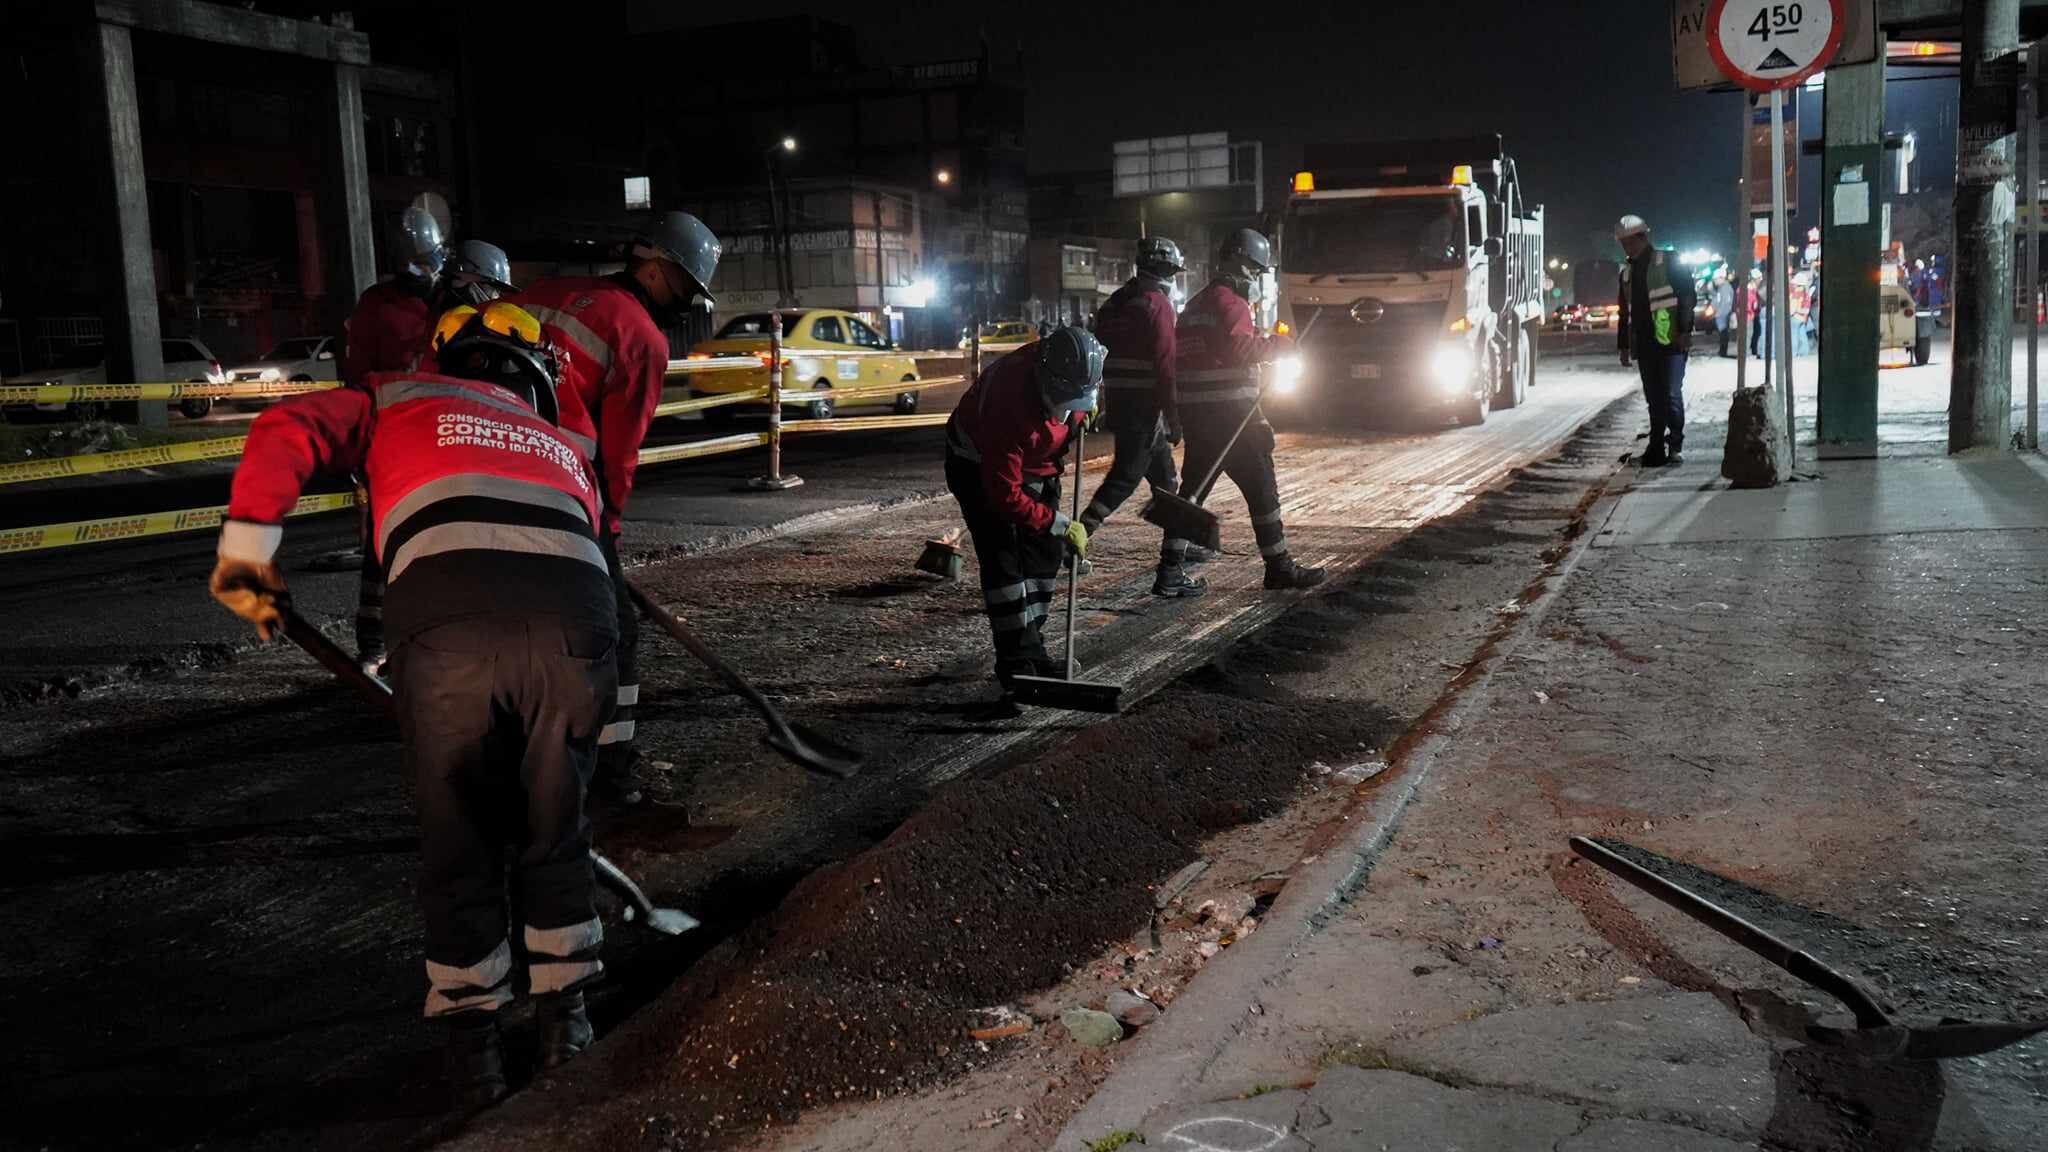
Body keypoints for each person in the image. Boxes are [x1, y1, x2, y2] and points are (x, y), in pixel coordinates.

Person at [208, 302, 615, 1111]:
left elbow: (286, 429)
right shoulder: (562, 443)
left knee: (460, 834)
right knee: (553, 823)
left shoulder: (394, 398)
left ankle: (475, 1052)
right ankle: (566, 1025)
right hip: (577, 617)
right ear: (534, 379)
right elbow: (592, 550)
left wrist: (248, 553)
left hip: (450, 618)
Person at [514, 211, 720, 807]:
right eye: (686, 287)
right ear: (656, 269)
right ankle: (611, 773)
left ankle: (519, 757)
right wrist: (608, 530)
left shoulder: (544, 293)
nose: (687, 302)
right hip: (561, 492)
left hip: (478, 464)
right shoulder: (640, 336)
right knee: (613, 632)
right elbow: (619, 454)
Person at [945, 326, 1102, 697]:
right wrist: (1059, 523)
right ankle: (1016, 666)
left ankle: (1033, 650)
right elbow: (1004, 494)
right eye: (1064, 401)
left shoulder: (1079, 365)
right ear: (1045, 381)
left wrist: (1083, 411)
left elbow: (1081, 392)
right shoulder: (1009, 404)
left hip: (1038, 464)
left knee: (1044, 555)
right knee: (1005, 563)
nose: (1067, 408)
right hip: (978, 465)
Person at [1171, 228, 1324, 591]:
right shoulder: (1231, 303)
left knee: (1191, 493)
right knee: (1262, 489)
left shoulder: (1194, 305)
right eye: (1255, 270)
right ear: (1239, 263)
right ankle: (1279, 567)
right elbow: (1241, 349)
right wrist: (1282, 346)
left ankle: (1168, 569)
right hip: (1234, 416)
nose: (1255, 278)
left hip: (1198, 414)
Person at [341, 206, 447, 672]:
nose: (426, 271)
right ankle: (374, 644)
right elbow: (358, 379)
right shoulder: (377, 306)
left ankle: (429, 634)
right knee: (384, 543)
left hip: (441, 437)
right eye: (418, 263)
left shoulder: (450, 301)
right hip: (394, 440)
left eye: (429, 261)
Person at [1076, 235, 1206, 597]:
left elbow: (1097, 352)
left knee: (1166, 481)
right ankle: (1074, 538)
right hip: (1145, 409)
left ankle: (1178, 544)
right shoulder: (1157, 305)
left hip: (1120, 402)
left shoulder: (1116, 303)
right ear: (1167, 271)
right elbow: (1166, 366)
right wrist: (1175, 418)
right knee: (1125, 477)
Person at [1615, 215, 1695, 468]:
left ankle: (1676, 444)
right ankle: (1656, 446)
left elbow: (1687, 296)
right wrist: (1624, 346)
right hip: (1645, 343)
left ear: (1643, 238)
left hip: (1671, 341)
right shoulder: (1626, 274)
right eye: (1623, 243)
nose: (1627, 248)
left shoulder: (1668, 261)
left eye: (1630, 242)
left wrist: (1685, 331)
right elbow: (1624, 313)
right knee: (1654, 399)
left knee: (1671, 394)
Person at [1710, 270, 1735, 358]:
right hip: (1721, 314)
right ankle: (1722, 351)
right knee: (1722, 334)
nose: (1714, 281)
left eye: (1715, 279)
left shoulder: (1725, 288)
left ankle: (1723, 351)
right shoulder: (1721, 288)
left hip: (1723, 314)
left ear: (1721, 278)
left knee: (1723, 333)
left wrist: (1719, 313)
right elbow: (1717, 298)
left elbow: (1725, 303)